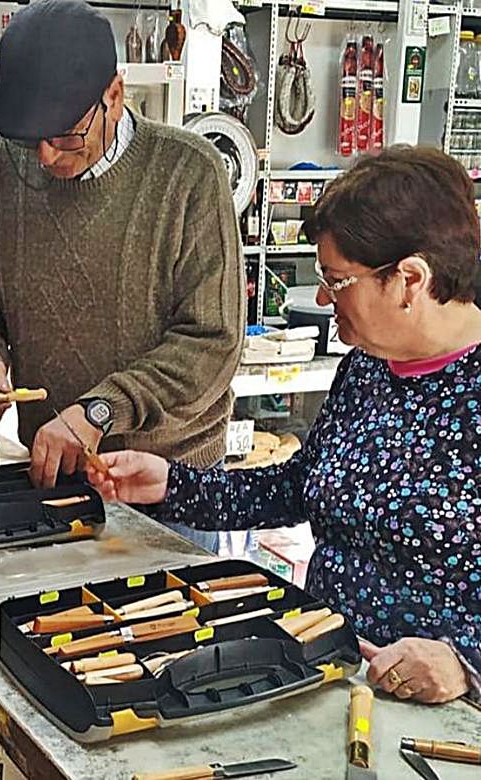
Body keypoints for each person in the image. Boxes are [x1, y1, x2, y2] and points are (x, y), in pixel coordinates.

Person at [86, 145, 481, 706]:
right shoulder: (367, 368)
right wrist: (173, 485)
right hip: (330, 676)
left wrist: (465, 662)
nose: (323, 299)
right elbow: (299, 487)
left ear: (410, 280)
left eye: (338, 281)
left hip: (445, 719)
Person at [0, 0, 244, 553]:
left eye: (63, 136)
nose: (41, 157)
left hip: (169, 485)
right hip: (53, 473)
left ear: (115, 94)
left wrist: (101, 411)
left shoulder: (188, 174)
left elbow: (214, 344)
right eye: (26, 137)